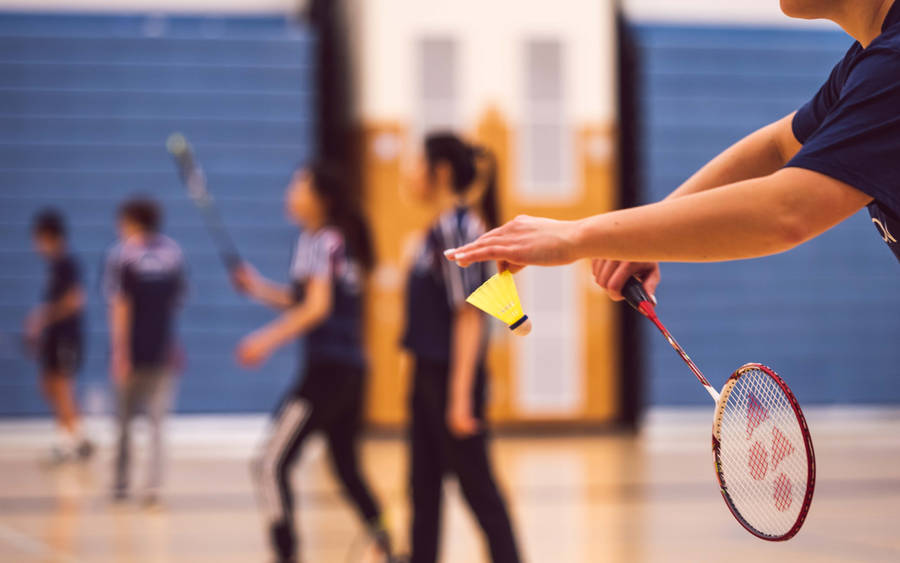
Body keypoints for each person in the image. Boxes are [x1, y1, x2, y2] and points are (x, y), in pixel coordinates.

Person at [446, 1, 900, 296]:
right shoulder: (866, 62)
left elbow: (787, 211)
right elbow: (778, 147)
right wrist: (641, 238)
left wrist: (575, 235)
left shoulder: (893, 64)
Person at [233, 163, 393, 563]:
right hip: (352, 371)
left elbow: (316, 308)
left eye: (298, 186)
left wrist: (264, 340)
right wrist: (258, 289)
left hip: (328, 374)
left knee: (269, 463)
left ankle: (286, 555)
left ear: (321, 199)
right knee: (346, 468)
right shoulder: (335, 242)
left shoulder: (321, 241)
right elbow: (307, 299)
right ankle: (390, 547)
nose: (290, 193)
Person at [401, 132, 521, 563]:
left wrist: (458, 399)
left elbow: (469, 316)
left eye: (417, 163)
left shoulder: (458, 228)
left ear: (441, 171)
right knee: (423, 489)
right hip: (428, 377)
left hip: (451, 380)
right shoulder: (436, 229)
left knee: (478, 490)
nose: (409, 173)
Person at [103, 198, 186, 505]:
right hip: (162, 350)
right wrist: (174, 344)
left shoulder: (122, 255)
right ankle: (153, 487)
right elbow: (174, 306)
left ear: (132, 221)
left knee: (124, 422)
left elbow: (119, 306)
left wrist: (119, 352)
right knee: (156, 424)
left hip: (135, 353)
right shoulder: (173, 253)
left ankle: (122, 484)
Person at [26, 209, 93, 463]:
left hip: (67, 336)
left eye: (38, 239)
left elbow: (75, 300)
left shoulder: (67, 263)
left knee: (63, 386)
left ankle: (69, 443)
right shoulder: (54, 266)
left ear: (48, 236)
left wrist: (43, 316)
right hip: (54, 337)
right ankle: (78, 437)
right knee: (49, 385)